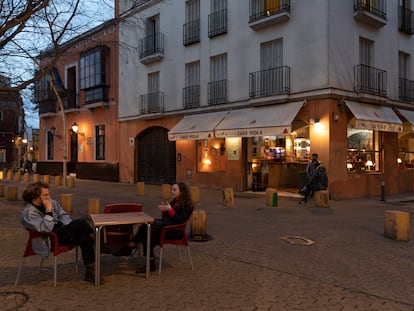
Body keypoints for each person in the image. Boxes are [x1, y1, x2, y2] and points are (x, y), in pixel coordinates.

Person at [19, 182, 99, 284]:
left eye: (48, 194)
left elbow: (64, 215)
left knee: (85, 238)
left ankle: (90, 271)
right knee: (82, 222)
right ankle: (98, 241)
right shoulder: (28, 213)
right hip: (49, 239)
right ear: (35, 197)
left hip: (63, 232)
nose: (49, 197)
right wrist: (48, 211)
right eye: (45, 195)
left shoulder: (52, 202)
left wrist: (69, 229)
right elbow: (45, 230)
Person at [125, 182, 193, 273]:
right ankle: (149, 260)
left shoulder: (186, 205)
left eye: (174, 190)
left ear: (182, 192)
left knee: (147, 229)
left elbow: (179, 220)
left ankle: (134, 244)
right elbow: (167, 218)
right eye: (172, 189)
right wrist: (164, 211)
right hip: (168, 227)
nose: (172, 192)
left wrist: (170, 210)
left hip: (175, 231)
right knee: (147, 227)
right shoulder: (175, 201)